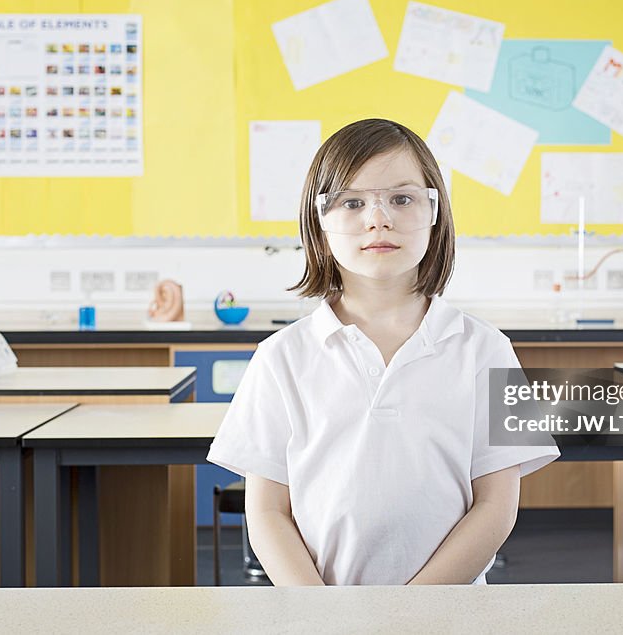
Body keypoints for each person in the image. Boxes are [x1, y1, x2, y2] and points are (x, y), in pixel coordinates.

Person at [207, 118, 559, 586]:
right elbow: (268, 514)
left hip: (447, 617)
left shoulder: (486, 349)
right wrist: (324, 616)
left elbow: (497, 507)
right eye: (353, 202)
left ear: (435, 212)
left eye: (402, 198)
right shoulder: (280, 358)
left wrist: (412, 612)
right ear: (320, 220)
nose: (379, 218)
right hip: (324, 620)